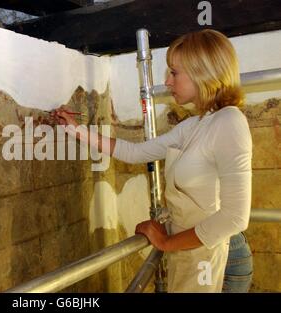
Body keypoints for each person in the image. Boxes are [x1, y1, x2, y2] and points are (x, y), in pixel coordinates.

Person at [53, 29, 253, 292]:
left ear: (203, 72)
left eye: (174, 72)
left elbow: (236, 217)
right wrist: (74, 129)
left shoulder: (229, 121)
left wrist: (166, 242)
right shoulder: (196, 124)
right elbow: (135, 153)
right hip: (195, 248)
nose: (167, 81)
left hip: (218, 256)